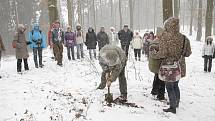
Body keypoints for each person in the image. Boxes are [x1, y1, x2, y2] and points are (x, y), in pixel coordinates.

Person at [151, 17, 192, 114]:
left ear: (168, 26)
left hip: (168, 66)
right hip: (179, 65)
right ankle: (176, 103)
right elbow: (188, 53)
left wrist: (154, 54)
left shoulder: (166, 37)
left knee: (169, 86)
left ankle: (172, 107)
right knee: (176, 85)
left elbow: (163, 53)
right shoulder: (184, 38)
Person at [149, 27, 165, 100]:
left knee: (156, 78)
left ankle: (154, 91)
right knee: (161, 80)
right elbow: (156, 54)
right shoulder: (158, 42)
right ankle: (160, 95)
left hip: (156, 65)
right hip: (159, 65)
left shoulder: (155, 41)